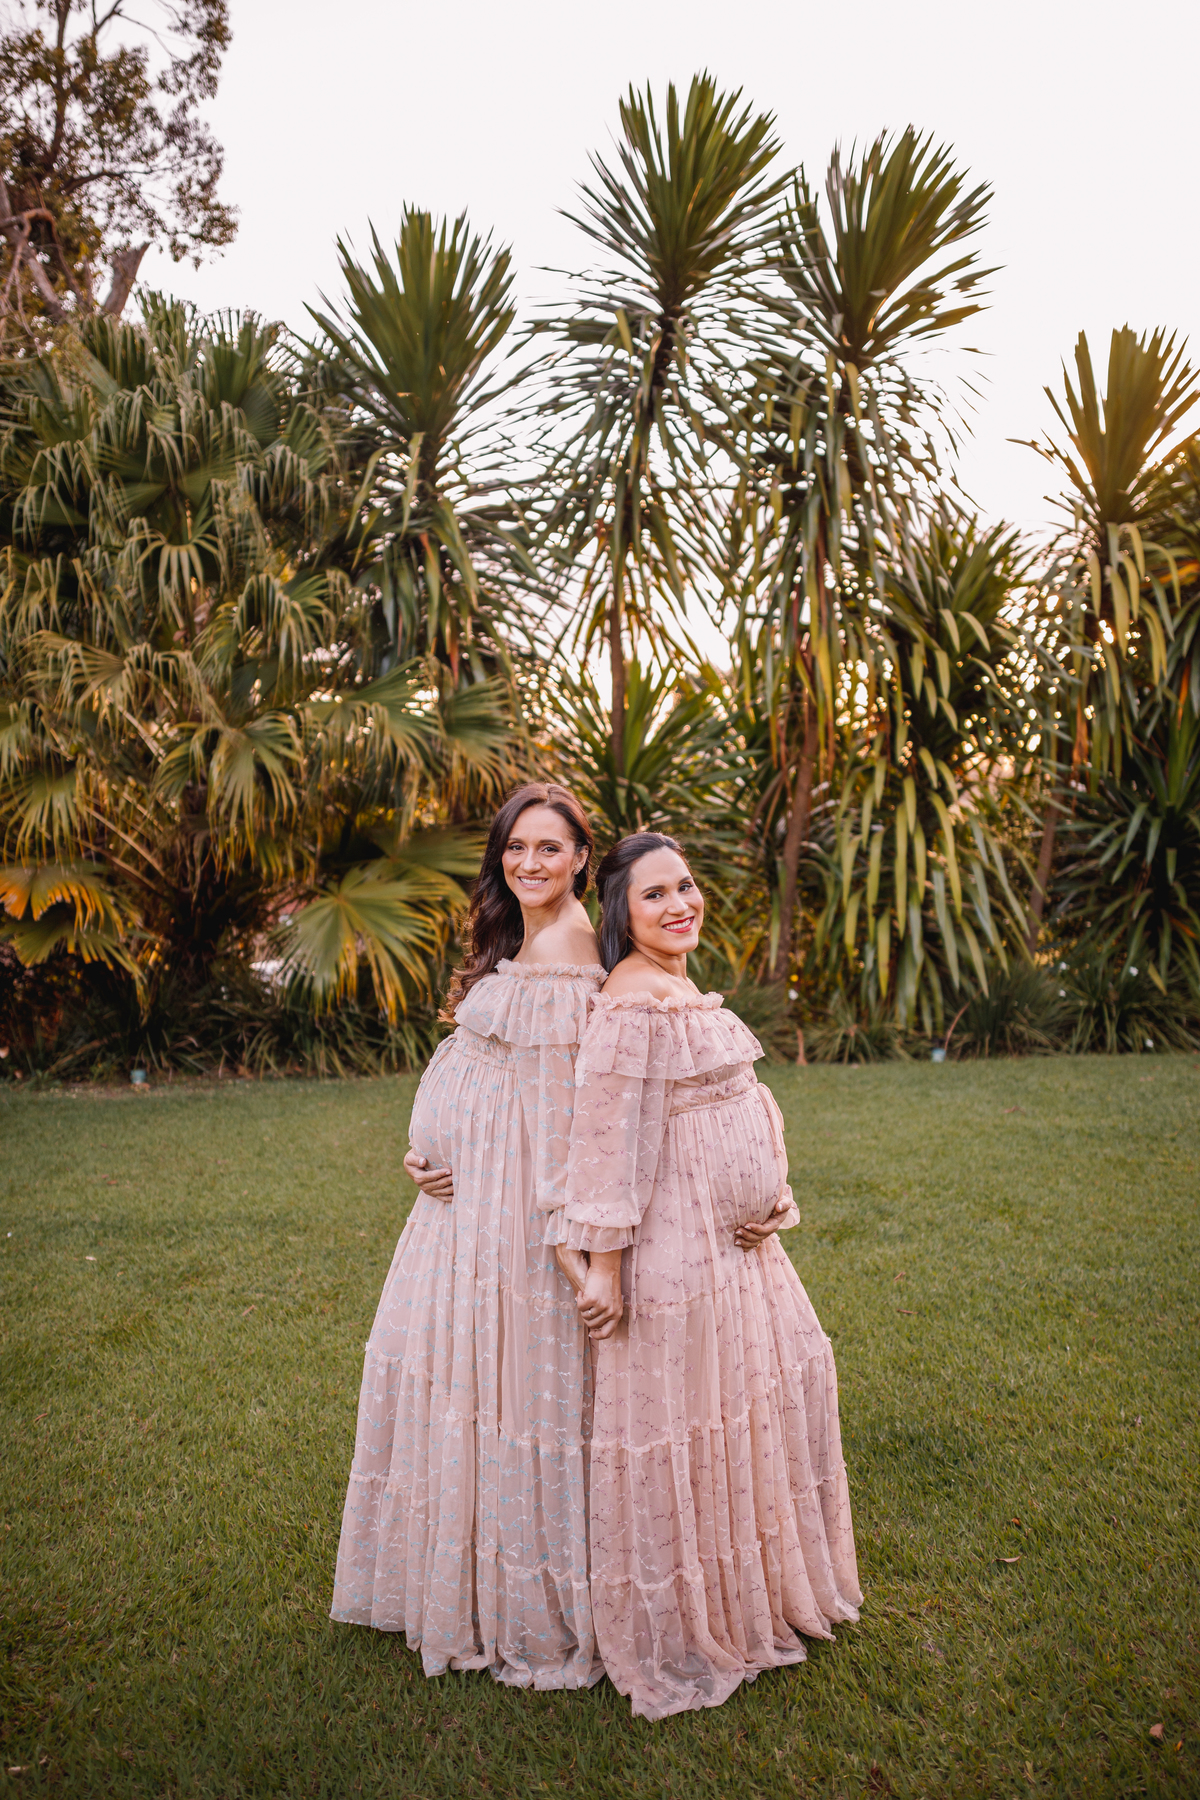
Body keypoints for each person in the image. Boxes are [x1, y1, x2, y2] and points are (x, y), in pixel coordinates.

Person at [555, 832, 862, 1719]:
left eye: (685, 887)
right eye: (654, 896)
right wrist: (603, 1270)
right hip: (677, 1254)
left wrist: (773, 1194)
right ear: (620, 914)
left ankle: (750, 1592)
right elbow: (607, 1152)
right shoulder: (627, 1002)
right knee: (687, 1432)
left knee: (756, 1405)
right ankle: (678, 1623)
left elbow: (737, 1105)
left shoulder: (679, 986)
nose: (679, 905)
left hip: (742, 1249)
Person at [331, 783, 606, 1690]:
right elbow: (485, 1071)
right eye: (515, 849)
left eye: (549, 849)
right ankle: (477, 1575)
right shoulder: (524, 937)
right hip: (460, 1205)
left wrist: (568, 1239)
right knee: (474, 1384)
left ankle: (533, 1595)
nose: (529, 863)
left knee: (518, 1391)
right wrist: (429, 1149)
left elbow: (568, 1120)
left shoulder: (572, 951)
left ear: (581, 859)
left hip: (514, 1216)